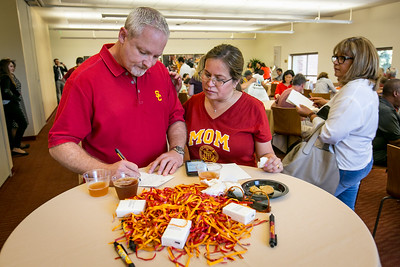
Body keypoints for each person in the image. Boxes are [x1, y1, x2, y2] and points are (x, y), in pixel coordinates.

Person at [48, 7, 186, 178]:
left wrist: (177, 150)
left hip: (158, 179)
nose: (149, 63)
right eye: (143, 52)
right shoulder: (84, 78)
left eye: (156, 56)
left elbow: (175, 117)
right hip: (112, 186)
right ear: (123, 36)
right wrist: (105, 170)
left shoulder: (160, 71)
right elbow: (60, 143)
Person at [296, 36, 380, 210]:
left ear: (359, 62)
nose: (336, 62)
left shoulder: (352, 93)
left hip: (341, 165)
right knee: (345, 211)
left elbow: (329, 135)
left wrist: (310, 114)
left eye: (342, 58)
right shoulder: (365, 87)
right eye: (336, 57)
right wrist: (328, 105)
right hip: (360, 159)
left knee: (314, 206)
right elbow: (350, 118)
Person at [183, 44, 282, 173]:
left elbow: (265, 154)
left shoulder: (253, 108)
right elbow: (180, 143)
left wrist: (271, 162)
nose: (209, 83)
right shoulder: (192, 104)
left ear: (236, 82)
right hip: (199, 183)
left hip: (238, 184)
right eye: (206, 75)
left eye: (219, 79)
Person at [0, 58, 29, 156]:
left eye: (13, 66)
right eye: (11, 66)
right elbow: (6, 91)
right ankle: (16, 146)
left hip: (7, 105)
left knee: (9, 126)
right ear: (5, 67)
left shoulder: (5, 77)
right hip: (10, 104)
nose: (13, 68)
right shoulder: (6, 77)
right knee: (23, 123)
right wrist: (15, 98)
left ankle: (14, 146)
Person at [372, 79, 400, 166]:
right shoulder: (385, 111)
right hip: (376, 153)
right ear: (395, 93)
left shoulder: (380, 102)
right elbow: (396, 141)